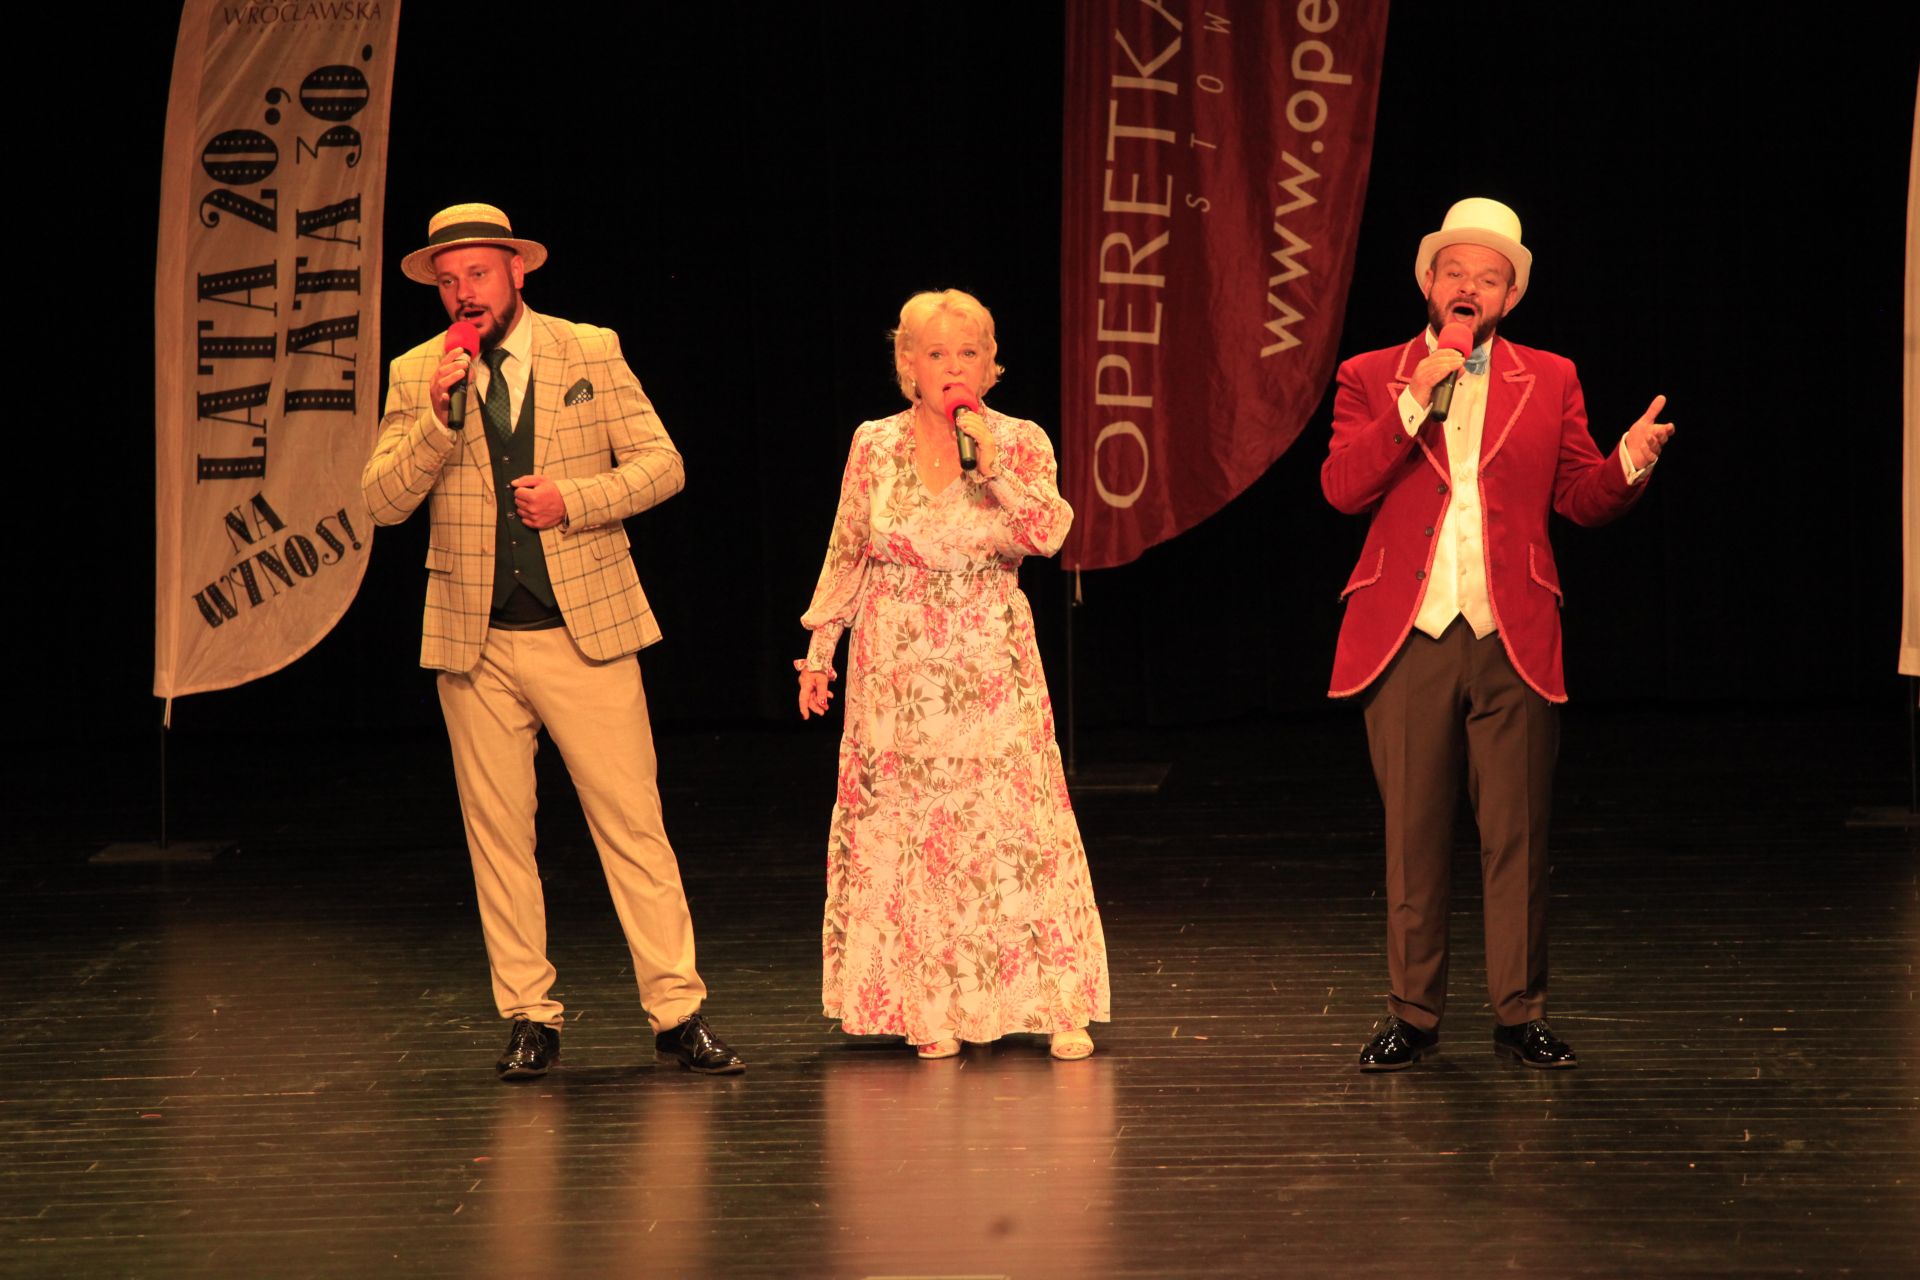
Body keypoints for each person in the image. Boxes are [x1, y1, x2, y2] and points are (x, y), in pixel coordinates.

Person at [363, 202, 744, 1079]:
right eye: (449, 281)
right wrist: (435, 419)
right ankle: (530, 1016)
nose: (464, 293)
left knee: (632, 826)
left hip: (586, 630)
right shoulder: (420, 371)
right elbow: (381, 501)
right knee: (499, 838)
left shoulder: (588, 350)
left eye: (478, 274)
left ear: (517, 270)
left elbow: (664, 464)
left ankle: (677, 1011)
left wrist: (576, 498)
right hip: (475, 639)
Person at [1322, 198, 1675, 1072]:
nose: (1470, 286)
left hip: (1511, 629)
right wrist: (1415, 399)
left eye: (1490, 277)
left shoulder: (1550, 377)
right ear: (1429, 283)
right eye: (1456, 272)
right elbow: (1342, 487)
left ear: (1511, 296)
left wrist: (1628, 464)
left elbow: (1579, 495)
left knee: (1516, 833)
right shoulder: (1370, 373)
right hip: (1407, 630)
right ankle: (1413, 1015)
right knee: (1413, 835)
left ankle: (1521, 1013)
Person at [796, 289, 1110, 1061]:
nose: (952, 367)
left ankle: (1055, 1003)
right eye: (936, 353)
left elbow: (1048, 532)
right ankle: (927, 1006)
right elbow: (848, 548)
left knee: (1012, 825)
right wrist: (820, 650)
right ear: (908, 365)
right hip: (894, 662)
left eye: (968, 353)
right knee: (913, 835)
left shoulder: (1020, 440)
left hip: (986, 652)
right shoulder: (874, 443)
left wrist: (992, 468)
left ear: (990, 364)